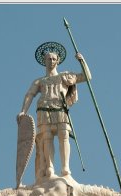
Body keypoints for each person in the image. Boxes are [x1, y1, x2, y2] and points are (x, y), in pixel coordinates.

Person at [17, 42, 92, 182]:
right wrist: (23, 111)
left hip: (60, 108)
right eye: (48, 59)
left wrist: (82, 61)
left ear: (57, 60)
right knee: (47, 138)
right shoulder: (39, 81)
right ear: (44, 61)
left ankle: (65, 169)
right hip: (44, 109)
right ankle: (50, 168)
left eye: (53, 59)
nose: (51, 61)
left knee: (64, 136)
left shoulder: (65, 76)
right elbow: (29, 95)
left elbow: (86, 77)